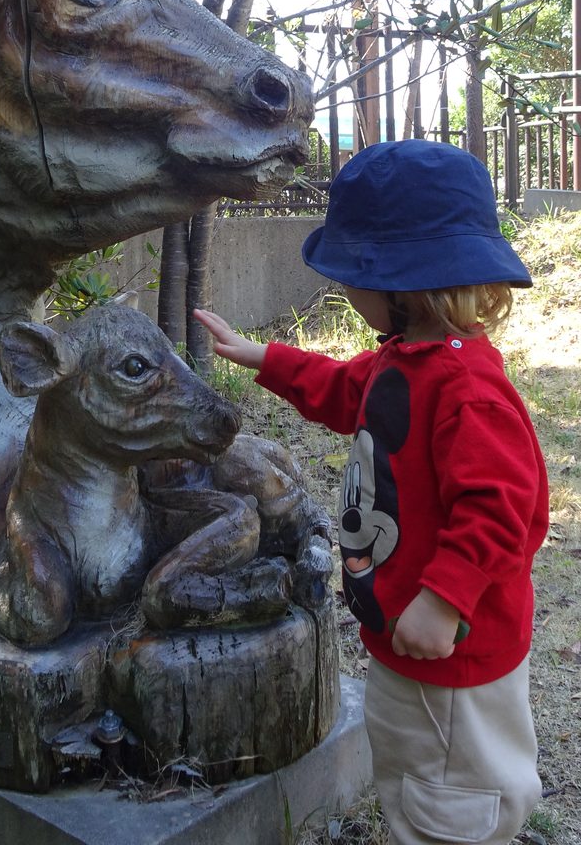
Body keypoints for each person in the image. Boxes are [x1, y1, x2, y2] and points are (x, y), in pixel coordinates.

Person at [194, 139, 548, 845]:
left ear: (401, 285)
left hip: (452, 652)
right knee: (412, 770)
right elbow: (341, 388)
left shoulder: (467, 390)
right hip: (402, 635)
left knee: (455, 796)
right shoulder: (404, 362)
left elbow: (502, 509)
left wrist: (444, 599)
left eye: (353, 273)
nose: (344, 286)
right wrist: (263, 357)